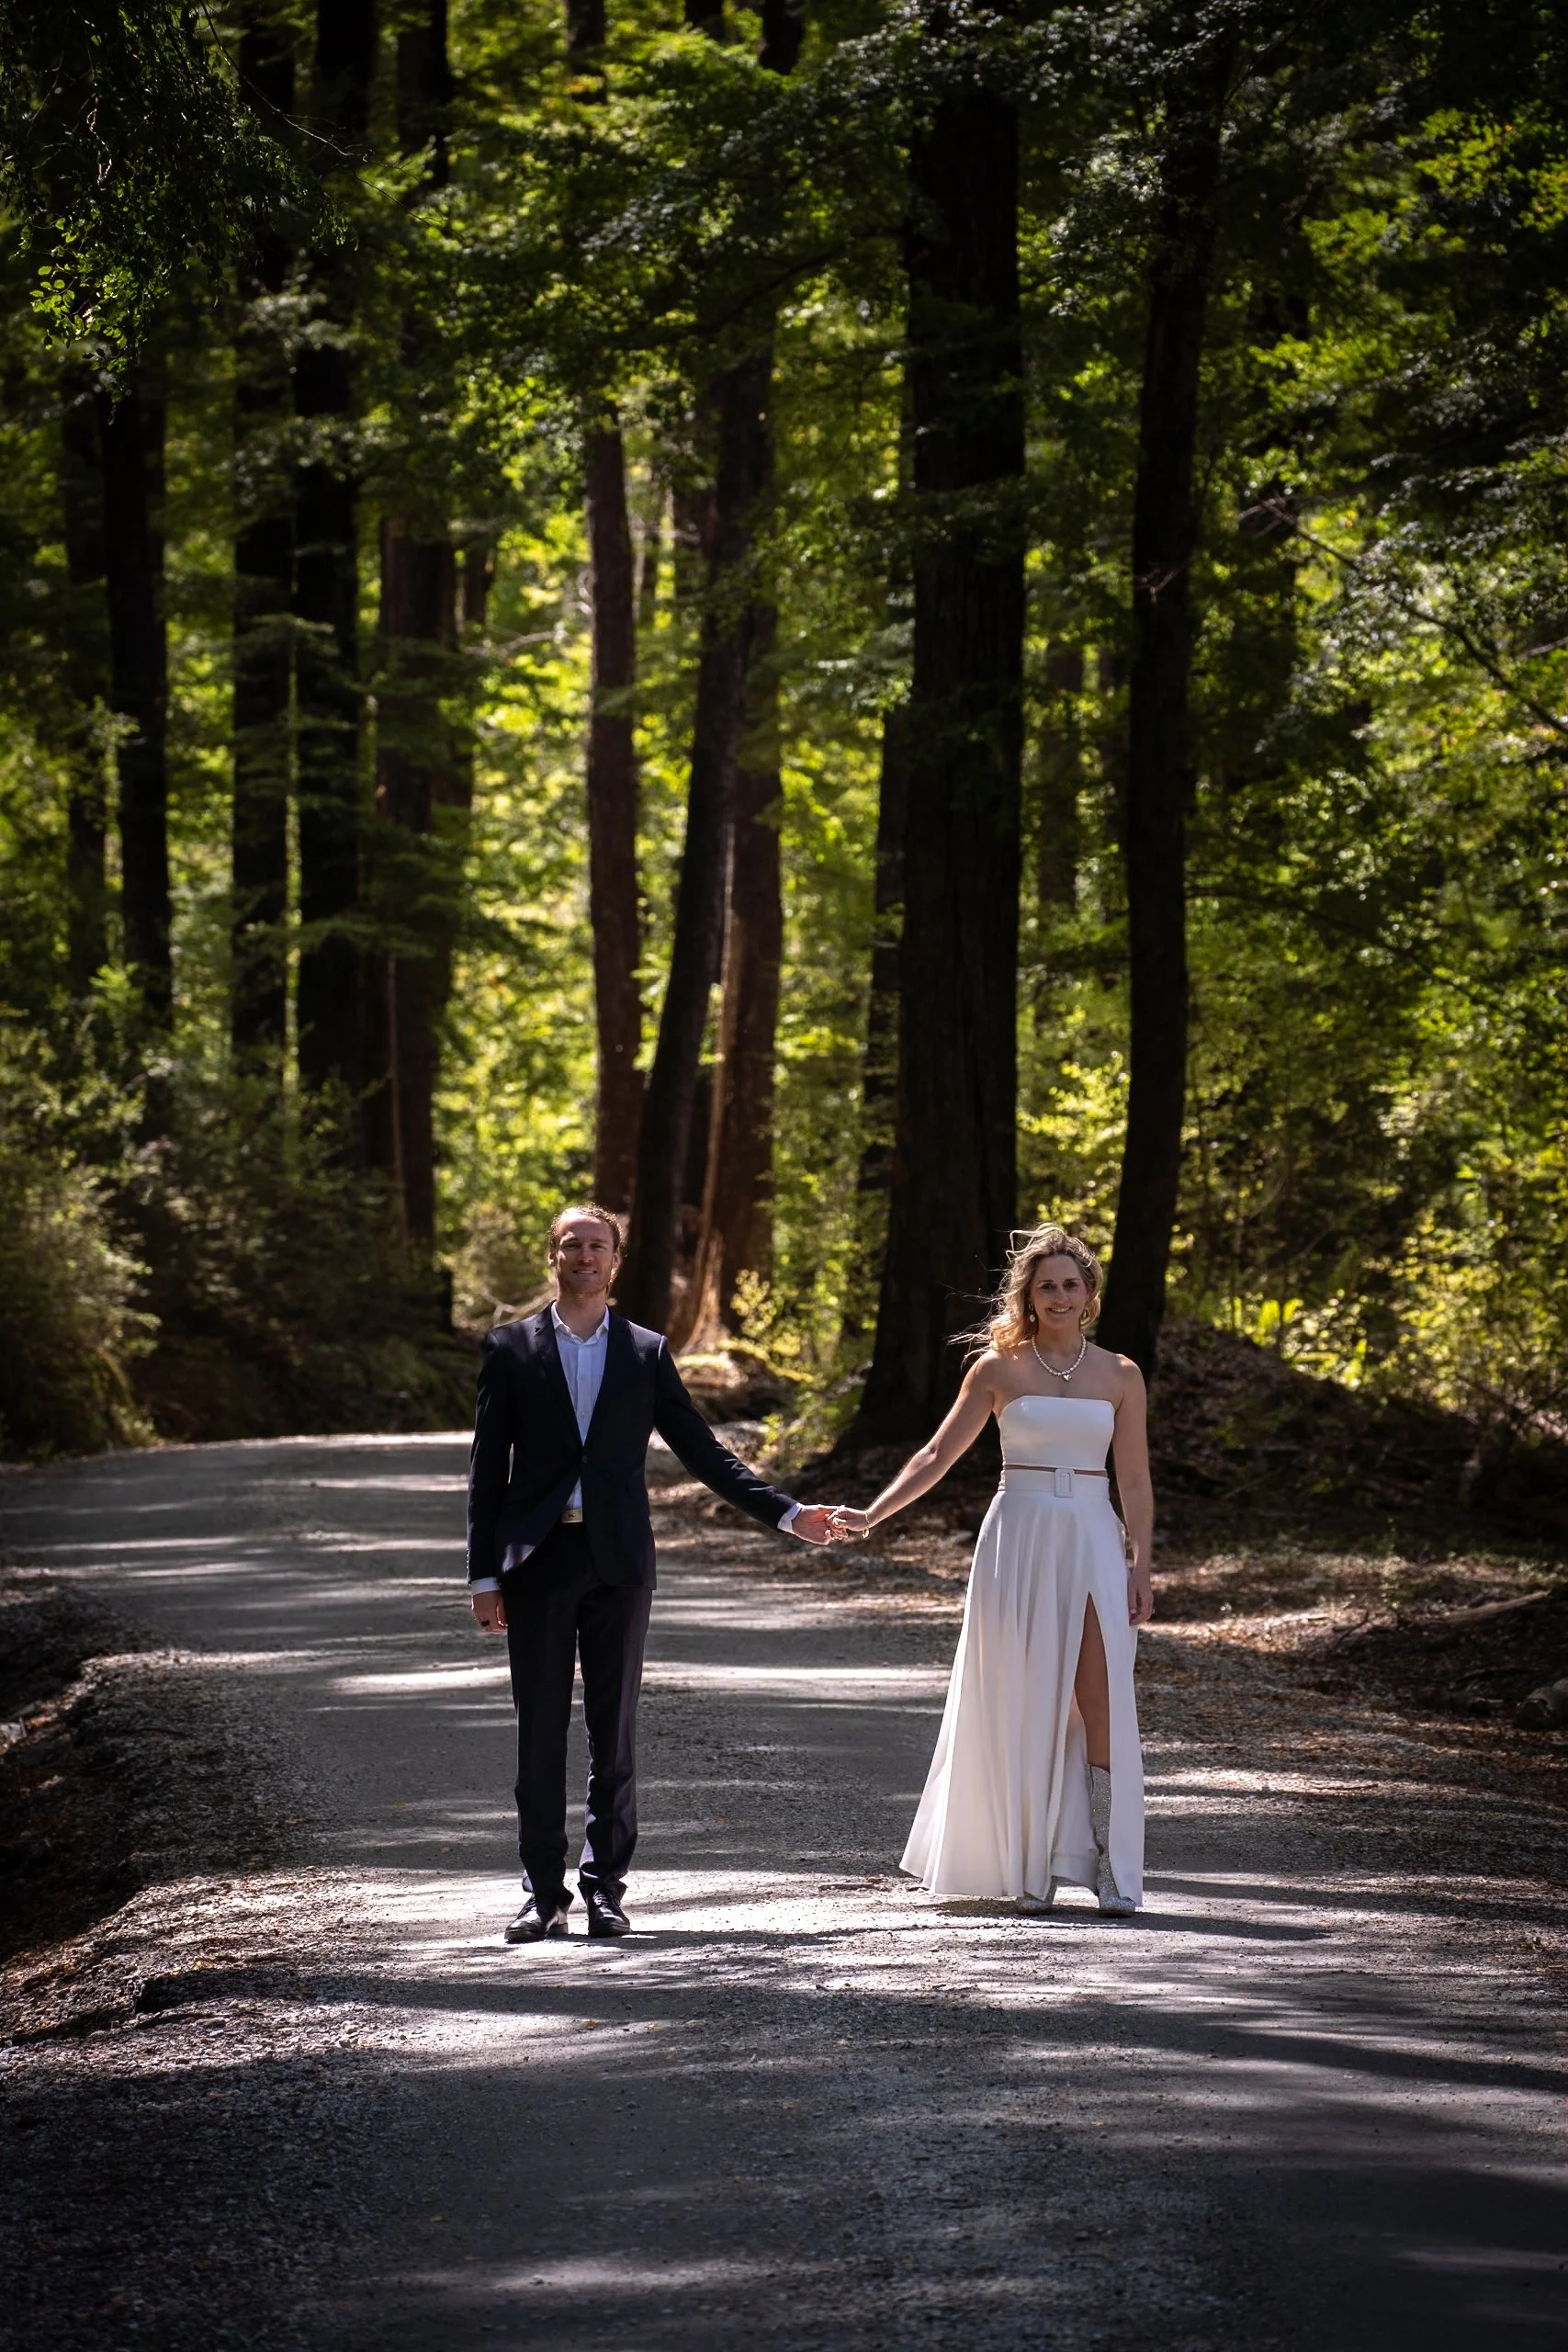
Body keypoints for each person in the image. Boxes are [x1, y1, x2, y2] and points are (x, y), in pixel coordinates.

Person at [468, 1203, 837, 1944]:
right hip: (537, 1561)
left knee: (617, 1734)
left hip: (619, 1562)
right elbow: (486, 1472)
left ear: (615, 1259)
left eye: (596, 1245)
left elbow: (703, 1451)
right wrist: (484, 1576)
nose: (583, 1255)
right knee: (538, 1732)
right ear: (554, 1256)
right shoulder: (509, 1348)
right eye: (571, 1244)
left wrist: (786, 1513)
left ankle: (604, 1888)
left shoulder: (643, 1350)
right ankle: (542, 1894)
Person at [830, 1224, 1153, 1915]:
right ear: (1027, 1297)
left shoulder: (1120, 1374)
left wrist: (1141, 1565)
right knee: (1023, 1696)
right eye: (1046, 1287)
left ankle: (1110, 1867)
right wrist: (872, 1515)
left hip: (1094, 1538)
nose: (1059, 1297)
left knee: (1099, 1699)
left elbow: (1134, 1479)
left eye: (1070, 1285)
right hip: (1019, 1536)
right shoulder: (997, 1368)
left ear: (1088, 1295)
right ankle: (1025, 1865)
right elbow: (933, 1456)